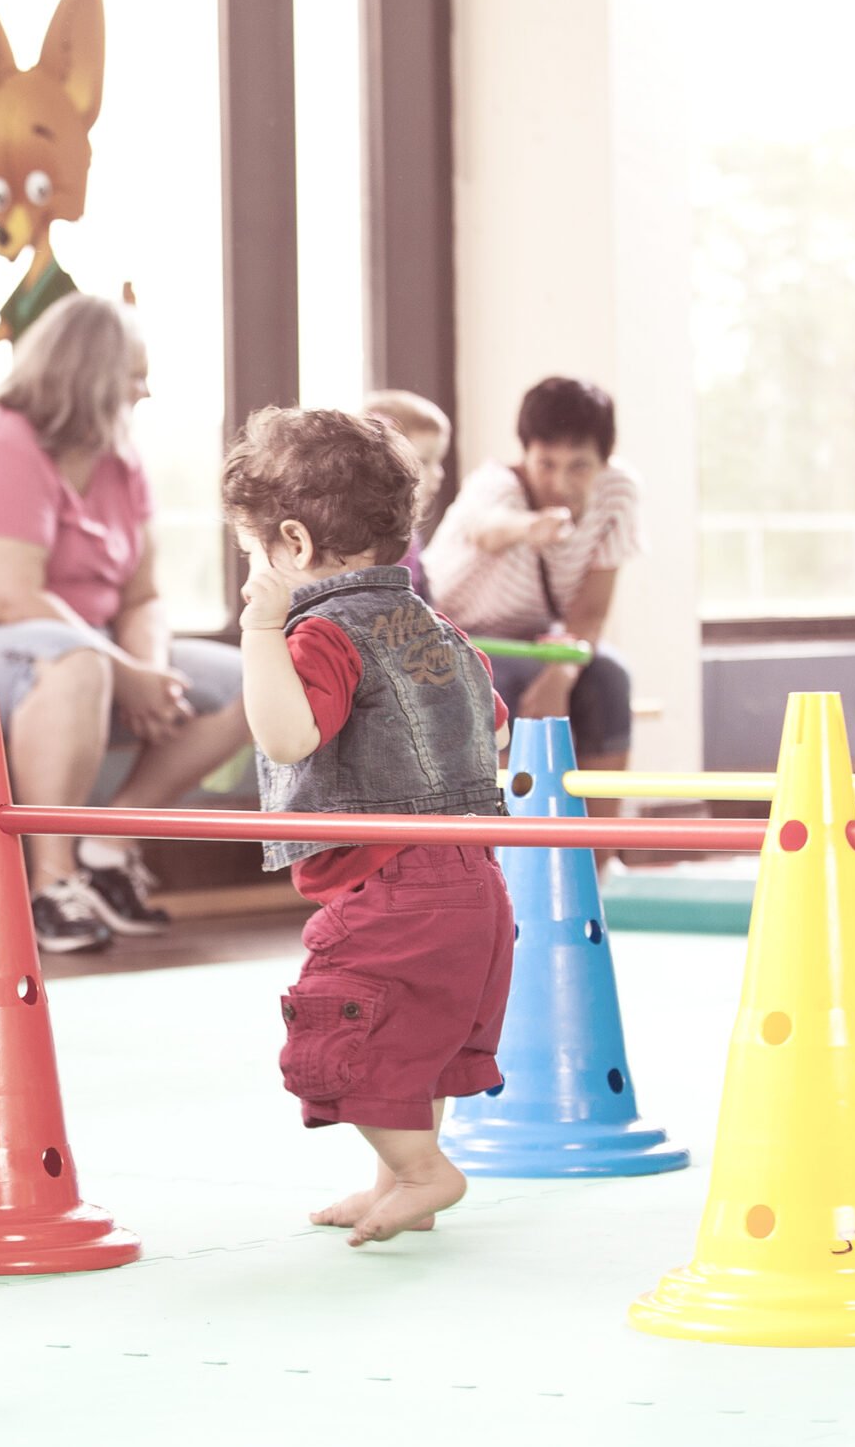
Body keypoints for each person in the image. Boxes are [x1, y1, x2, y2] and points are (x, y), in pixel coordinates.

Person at [0, 292, 248, 955]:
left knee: (256, 679)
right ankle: (50, 881)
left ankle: (109, 840)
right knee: (76, 661)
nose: (146, 390)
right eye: (134, 374)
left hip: (81, 653)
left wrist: (150, 671)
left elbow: (142, 596)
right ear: (89, 375)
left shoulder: (119, 461)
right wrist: (124, 673)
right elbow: (8, 596)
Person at [224, 406, 514, 1247]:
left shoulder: (318, 637)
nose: (256, 571)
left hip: (396, 887)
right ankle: (400, 1181)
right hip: (477, 881)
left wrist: (258, 632)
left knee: (335, 1033)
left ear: (295, 546)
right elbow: (488, 731)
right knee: (417, 1036)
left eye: (256, 555)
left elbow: (288, 734)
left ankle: (425, 1169)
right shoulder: (444, 633)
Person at [421, 376, 639, 780]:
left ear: (604, 460)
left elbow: (590, 611)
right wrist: (528, 527)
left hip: (538, 639)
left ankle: (602, 843)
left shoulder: (618, 492)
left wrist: (562, 671)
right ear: (525, 455)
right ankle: (506, 839)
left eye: (579, 466)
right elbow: (487, 530)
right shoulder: (495, 484)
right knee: (501, 680)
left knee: (609, 677)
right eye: (546, 464)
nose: (560, 484)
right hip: (455, 635)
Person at [361, 388, 450, 597]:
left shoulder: (409, 534)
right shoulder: (364, 542)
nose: (439, 474)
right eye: (424, 461)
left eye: (439, 461)